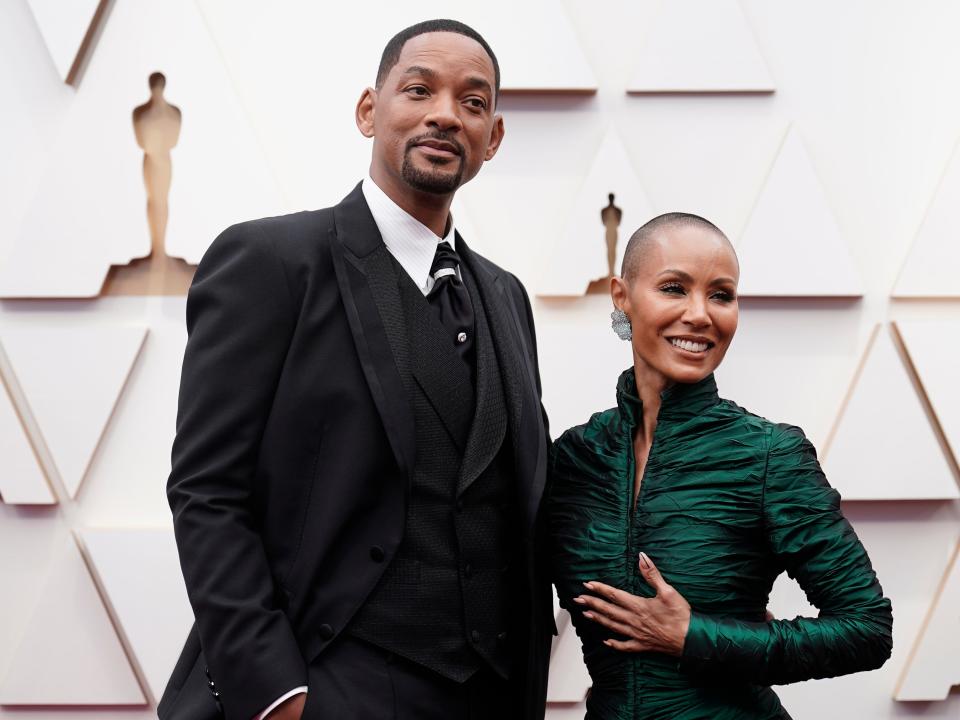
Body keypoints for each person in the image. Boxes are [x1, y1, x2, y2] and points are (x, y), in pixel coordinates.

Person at [159, 19, 552, 720]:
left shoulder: (505, 295)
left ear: (491, 137)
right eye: (419, 89)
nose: (444, 114)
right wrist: (274, 692)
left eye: (472, 101)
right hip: (327, 683)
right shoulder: (272, 263)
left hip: (489, 695)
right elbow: (206, 491)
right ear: (370, 110)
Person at [547, 213, 892, 719]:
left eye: (721, 295)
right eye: (673, 288)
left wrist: (694, 636)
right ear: (621, 296)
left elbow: (867, 629)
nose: (700, 314)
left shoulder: (770, 454)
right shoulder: (572, 458)